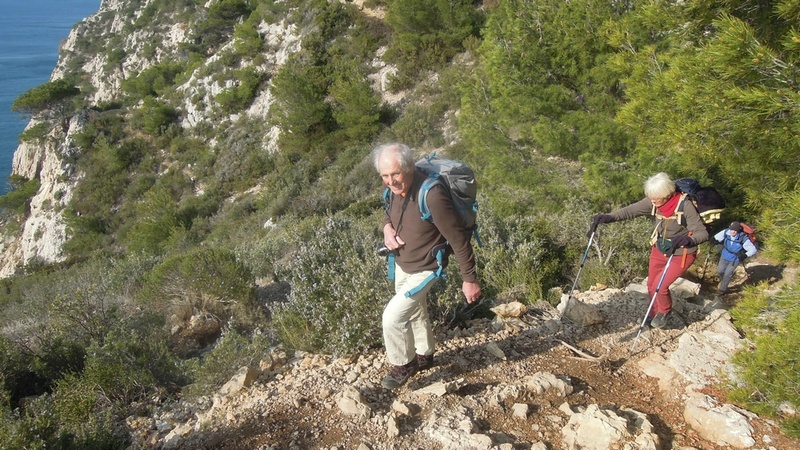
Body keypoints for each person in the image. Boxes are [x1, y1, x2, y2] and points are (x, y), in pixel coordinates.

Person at [372, 143, 481, 389]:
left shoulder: (431, 194)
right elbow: (389, 214)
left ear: (409, 168)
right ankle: (425, 353)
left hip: (426, 267)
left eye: (395, 174)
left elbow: (458, 238)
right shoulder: (393, 189)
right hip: (402, 261)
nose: (390, 181)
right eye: (385, 176)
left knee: (392, 317)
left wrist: (469, 279)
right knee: (415, 309)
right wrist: (387, 228)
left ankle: (404, 364)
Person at [590, 173, 709, 329]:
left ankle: (665, 312)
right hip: (660, 248)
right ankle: (653, 314)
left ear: (667, 195)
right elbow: (630, 211)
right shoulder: (654, 201)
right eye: (650, 197)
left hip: (682, 254)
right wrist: (609, 217)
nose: (652, 201)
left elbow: (703, 233)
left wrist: (689, 240)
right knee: (651, 284)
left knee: (660, 285)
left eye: (656, 198)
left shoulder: (685, 205)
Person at [713, 221, 757, 294]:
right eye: (731, 230)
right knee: (720, 271)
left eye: (735, 230)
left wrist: (745, 255)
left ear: (738, 230)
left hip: (735, 259)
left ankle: (722, 290)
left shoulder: (743, 238)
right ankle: (725, 281)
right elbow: (717, 237)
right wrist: (714, 241)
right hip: (725, 255)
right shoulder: (726, 232)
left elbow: (753, 249)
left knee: (727, 273)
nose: (732, 232)